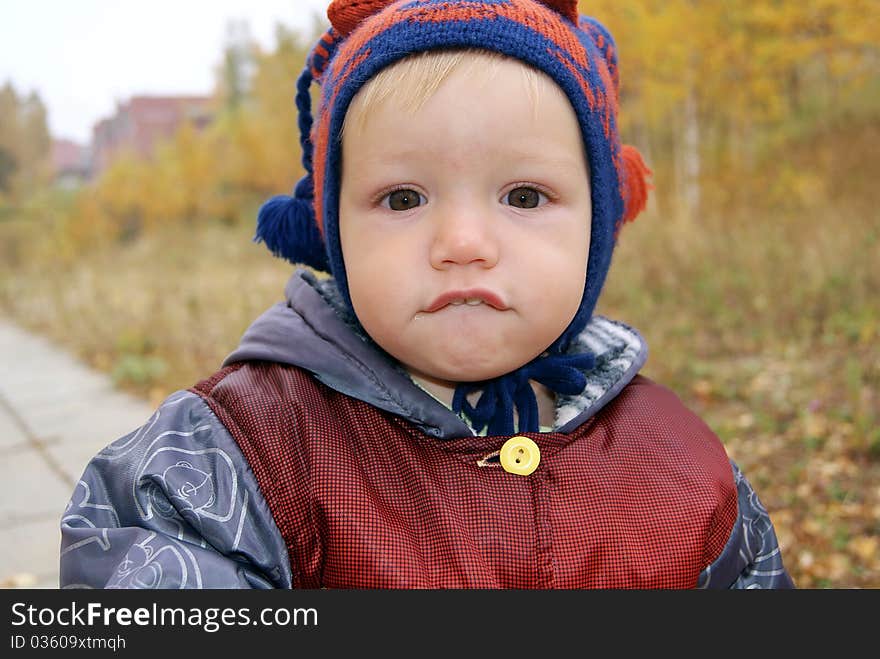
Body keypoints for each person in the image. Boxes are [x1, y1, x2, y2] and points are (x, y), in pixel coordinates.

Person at [60, 0, 794, 589]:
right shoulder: (229, 459)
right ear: (333, 227)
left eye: (526, 194)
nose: (463, 240)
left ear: (599, 226)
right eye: (405, 197)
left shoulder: (681, 461)